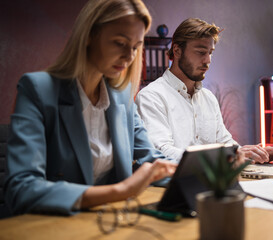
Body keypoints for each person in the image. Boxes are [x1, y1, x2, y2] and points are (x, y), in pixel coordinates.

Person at [4, 0, 176, 216]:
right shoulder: (37, 90)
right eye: (120, 43)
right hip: (54, 227)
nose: (129, 56)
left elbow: (152, 161)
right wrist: (121, 191)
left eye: (135, 47)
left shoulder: (122, 98)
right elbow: (21, 189)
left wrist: (205, 170)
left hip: (108, 225)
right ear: (88, 36)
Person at [135, 18, 273, 163]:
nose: (208, 60)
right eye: (201, 52)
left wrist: (254, 153)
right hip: (173, 185)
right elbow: (161, 152)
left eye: (210, 52)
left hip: (215, 183)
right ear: (177, 50)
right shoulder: (151, 97)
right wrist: (229, 155)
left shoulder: (209, 98)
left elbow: (226, 144)